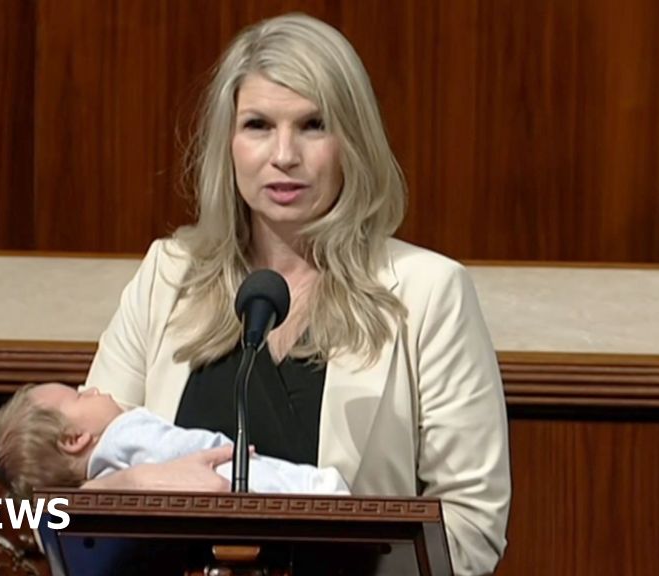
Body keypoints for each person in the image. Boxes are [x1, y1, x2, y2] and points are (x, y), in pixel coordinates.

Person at [82, 13, 510, 575]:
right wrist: (139, 484)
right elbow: (75, 475)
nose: (284, 154)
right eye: (258, 125)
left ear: (352, 142)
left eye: (312, 125)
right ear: (228, 143)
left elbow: (471, 524)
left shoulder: (430, 292)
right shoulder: (169, 276)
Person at [0, 382, 350, 499]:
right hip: (227, 475)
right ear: (75, 438)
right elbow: (177, 451)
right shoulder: (124, 435)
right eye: (79, 396)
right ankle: (320, 489)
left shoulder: (103, 474)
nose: (91, 387)